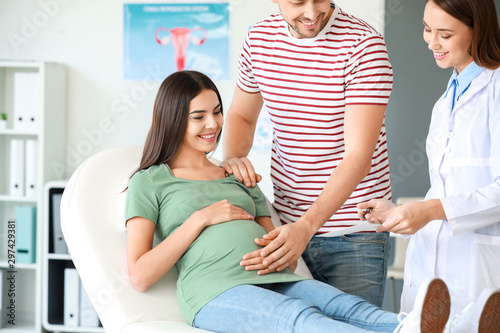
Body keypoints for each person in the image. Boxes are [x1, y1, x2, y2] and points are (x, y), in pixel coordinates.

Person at [124, 70, 452, 332]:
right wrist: (201, 218)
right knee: (300, 318)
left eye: (217, 112)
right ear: (172, 119)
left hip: (277, 278)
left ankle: (446, 329)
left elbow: (289, 260)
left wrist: (276, 253)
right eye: (199, 117)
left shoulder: (238, 175)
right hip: (215, 291)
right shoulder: (150, 180)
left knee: (347, 307)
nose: (213, 124)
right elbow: (140, 275)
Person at [221, 0, 393, 306]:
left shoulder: (363, 46)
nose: (313, 13)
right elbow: (242, 116)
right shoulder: (259, 40)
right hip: (285, 225)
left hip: (353, 234)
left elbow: (358, 156)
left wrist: (305, 227)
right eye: (298, 2)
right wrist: (233, 160)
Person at [358, 0, 500, 330]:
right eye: (426, 28)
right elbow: (450, 187)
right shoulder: (447, 98)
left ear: (477, 30)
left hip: (480, 267)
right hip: (433, 265)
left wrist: (431, 211)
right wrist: (403, 212)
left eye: (445, 34)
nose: (431, 42)